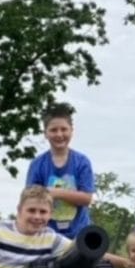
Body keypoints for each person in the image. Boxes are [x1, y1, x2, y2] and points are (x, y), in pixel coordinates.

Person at [25, 102, 95, 238]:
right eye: (53, 130)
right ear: (45, 133)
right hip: (46, 233)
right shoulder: (37, 164)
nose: (59, 134)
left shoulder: (82, 162)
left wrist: (55, 193)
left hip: (79, 233)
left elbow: (89, 199)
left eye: (64, 129)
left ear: (71, 130)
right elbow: (30, 200)